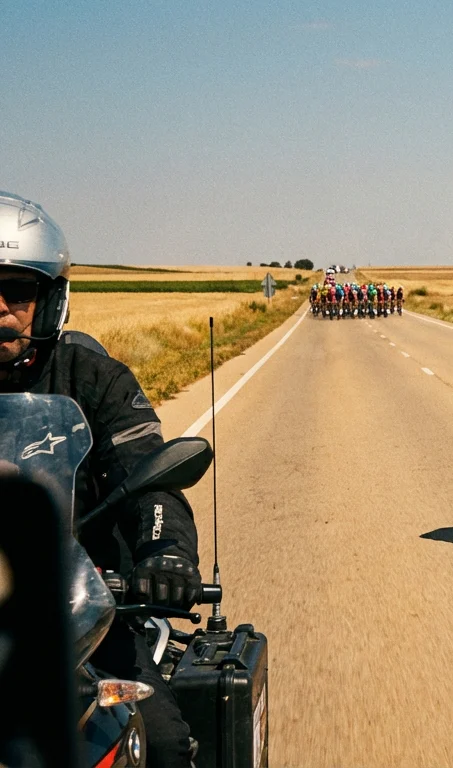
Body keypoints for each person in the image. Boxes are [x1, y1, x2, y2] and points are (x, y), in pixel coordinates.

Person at [0, 192, 199, 767]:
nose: (1, 309)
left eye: (18, 291)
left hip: (80, 610)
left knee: (158, 742)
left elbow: (152, 479)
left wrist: (164, 555)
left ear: (51, 299)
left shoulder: (94, 377)